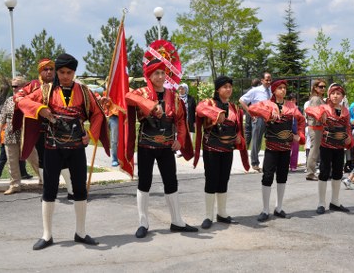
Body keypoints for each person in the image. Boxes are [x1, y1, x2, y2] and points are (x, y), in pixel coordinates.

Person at [18, 53, 110, 250]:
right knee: (49, 190)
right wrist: (40, 108)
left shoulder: (85, 92)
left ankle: (81, 232)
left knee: (80, 190)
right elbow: (20, 100)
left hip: (77, 149)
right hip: (52, 148)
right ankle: (47, 235)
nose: (66, 76)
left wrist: (90, 135)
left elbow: (97, 114)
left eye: (69, 72)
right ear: (57, 72)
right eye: (62, 72)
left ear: (74, 72)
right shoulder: (45, 90)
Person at [125, 40, 197, 238]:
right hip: (146, 145)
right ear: (149, 75)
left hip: (166, 147)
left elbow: (181, 121)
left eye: (163, 73)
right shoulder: (141, 93)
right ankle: (143, 223)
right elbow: (127, 97)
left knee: (171, 182)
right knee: (144, 182)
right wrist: (148, 106)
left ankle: (177, 221)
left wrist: (180, 140)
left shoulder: (173, 96)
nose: (160, 76)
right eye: (156, 73)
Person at [194, 76, 249, 229]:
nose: (228, 89)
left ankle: (222, 213)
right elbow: (199, 109)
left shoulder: (234, 107)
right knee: (211, 179)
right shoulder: (208, 103)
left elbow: (237, 127)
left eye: (230, 86)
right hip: (211, 148)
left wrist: (238, 136)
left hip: (227, 149)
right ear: (217, 89)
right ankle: (208, 216)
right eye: (225, 86)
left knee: (223, 179)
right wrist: (217, 114)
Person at [14, 58, 73, 195]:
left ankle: (72, 190)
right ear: (40, 72)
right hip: (41, 130)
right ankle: (48, 189)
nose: (49, 71)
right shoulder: (33, 86)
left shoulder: (62, 84)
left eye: (51, 69)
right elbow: (18, 98)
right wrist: (39, 108)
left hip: (62, 129)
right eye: (45, 69)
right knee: (43, 159)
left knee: (64, 159)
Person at [248, 80, 305, 222]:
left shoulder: (291, 105)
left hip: (286, 147)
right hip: (272, 148)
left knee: (282, 176)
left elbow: (301, 119)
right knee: (267, 176)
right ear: (274, 90)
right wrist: (269, 110)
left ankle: (279, 208)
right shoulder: (267, 103)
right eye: (280, 88)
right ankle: (265, 209)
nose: (283, 90)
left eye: (284, 88)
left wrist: (299, 135)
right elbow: (251, 109)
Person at [305, 83, 353, 215]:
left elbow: (347, 126)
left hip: (339, 146)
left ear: (343, 96)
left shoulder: (345, 111)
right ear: (329, 95)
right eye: (333, 93)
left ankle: (335, 202)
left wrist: (349, 137)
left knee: (338, 172)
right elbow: (308, 110)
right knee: (324, 172)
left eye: (338, 94)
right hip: (326, 145)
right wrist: (319, 114)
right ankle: (321, 203)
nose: (335, 96)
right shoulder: (324, 107)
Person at [0, 77, 39, 195]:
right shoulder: (9, 100)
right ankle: (15, 185)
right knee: (12, 162)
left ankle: (45, 180)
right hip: (10, 134)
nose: (13, 89)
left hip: (25, 135)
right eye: (12, 86)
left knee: (34, 159)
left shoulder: (30, 100)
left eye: (16, 86)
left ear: (23, 87)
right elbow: (2, 118)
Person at [239, 72, 273, 172]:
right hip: (259, 118)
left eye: (270, 79)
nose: (269, 81)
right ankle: (255, 162)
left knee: (270, 141)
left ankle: (269, 163)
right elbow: (241, 100)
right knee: (256, 141)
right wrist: (250, 113)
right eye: (267, 79)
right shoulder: (256, 91)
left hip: (270, 119)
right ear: (262, 80)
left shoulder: (271, 91)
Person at [304, 79, 327, 181]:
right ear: (315, 88)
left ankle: (312, 171)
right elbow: (313, 113)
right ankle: (310, 173)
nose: (323, 88)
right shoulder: (315, 99)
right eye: (321, 86)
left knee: (316, 150)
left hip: (319, 127)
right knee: (314, 150)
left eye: (324, 86)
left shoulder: (320, 99)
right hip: (315, 127)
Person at [244, 78, 261, 147]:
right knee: (256, 130)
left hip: (248, 111)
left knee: (248, 129)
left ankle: (246, 147)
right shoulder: (260, 91)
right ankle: (255, 148)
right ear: (259, 84)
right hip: (257, 111)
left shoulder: (246, 91)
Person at [288, 93, 301, 172]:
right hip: (288, 131)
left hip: (296, 131)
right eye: (291, 99)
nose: (292, 101)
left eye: (294, 99)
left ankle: (293, 165)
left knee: (295, 149)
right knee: (287, 149)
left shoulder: (298, 109)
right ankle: (285, 164)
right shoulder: (286, 108)